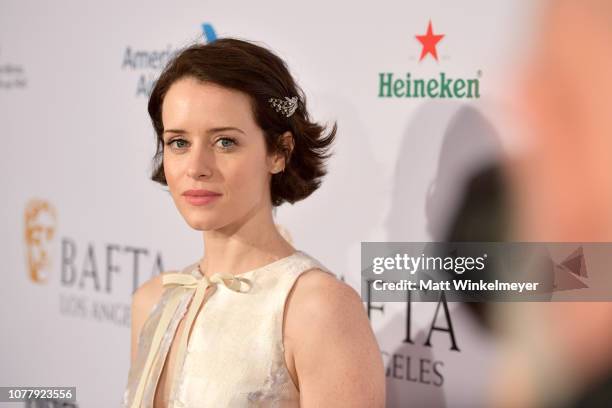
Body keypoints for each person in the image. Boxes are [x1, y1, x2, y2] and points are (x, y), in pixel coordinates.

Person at [121, 37, 385, 407]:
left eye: (225, 142)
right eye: (178, 142)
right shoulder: (153, 300)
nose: (196, 168)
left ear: (279, 152)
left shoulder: (316, 308)